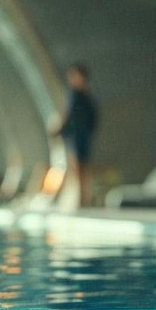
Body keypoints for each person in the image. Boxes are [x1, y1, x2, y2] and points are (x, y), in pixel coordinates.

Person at [53, 63, 98, 207]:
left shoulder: (78, 95)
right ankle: (81, 198)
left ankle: (83, 199)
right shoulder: (84, 95)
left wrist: (59, 130)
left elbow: (69, 115)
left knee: (79, 167)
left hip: (78, 136)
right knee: (78, 167)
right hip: (78, 135)